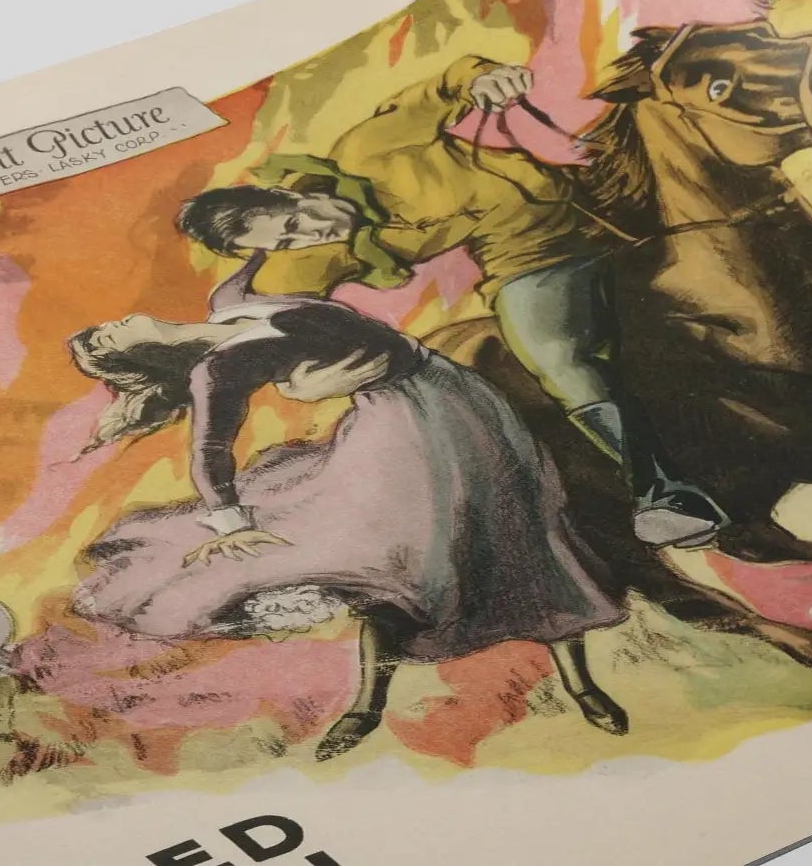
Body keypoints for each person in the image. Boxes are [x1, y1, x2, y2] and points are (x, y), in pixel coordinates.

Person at [65, 255, 632, 758]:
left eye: (105, 328)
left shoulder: (229, 302)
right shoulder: (216, 369)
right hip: (399, 434)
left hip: (462, 398)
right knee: (393, 566)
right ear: (142, 351)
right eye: (108, 337)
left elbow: (269, 253)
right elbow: (210, 449)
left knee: (526, 533)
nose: (112, 323)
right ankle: (367, 706)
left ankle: (581, 684)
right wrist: (230, 521)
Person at [172, 55, 726, 548]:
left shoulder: (369, 148)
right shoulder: (312, 258)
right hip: (534, 256)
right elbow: (254, 309)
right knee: (556, 356)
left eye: (296, 221)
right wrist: (293, 378)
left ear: (289, 193)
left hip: (604, 192)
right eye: (289, 242)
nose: (312, 235)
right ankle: (663, 490)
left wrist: (485, 79)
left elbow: (442, 87)